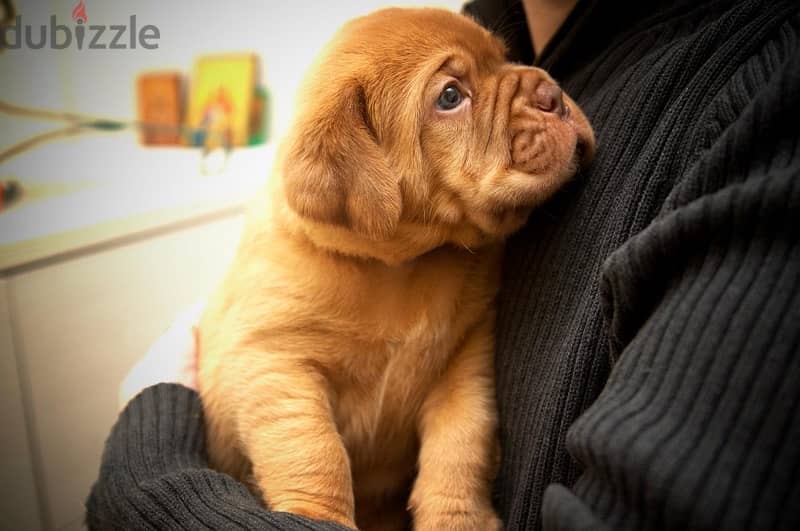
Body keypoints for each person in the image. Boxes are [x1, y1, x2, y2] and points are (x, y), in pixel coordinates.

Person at [87, 0, 800, 529]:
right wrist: (312, 507)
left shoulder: (758, 96)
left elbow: (460, 367)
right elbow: (273, 369)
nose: (538, 89)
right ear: (357, 181)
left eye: (494, 69)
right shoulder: (324, 243)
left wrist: (146, 476)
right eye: (451, 95)